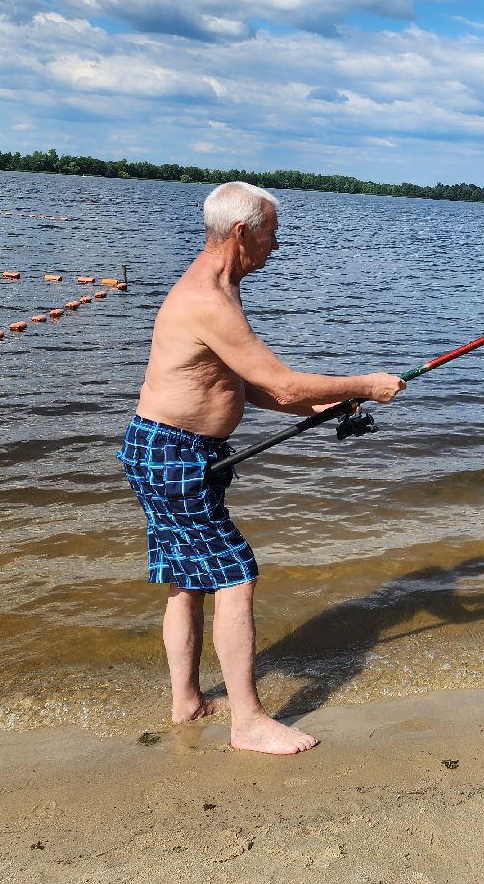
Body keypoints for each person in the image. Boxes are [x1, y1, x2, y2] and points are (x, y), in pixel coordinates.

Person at [119, 181, 405, 755]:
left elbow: (246, 386)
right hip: (174, 454)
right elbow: (280, 378)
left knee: (186, 582)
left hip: (170, 451)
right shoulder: (208, 299)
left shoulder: (221, 288)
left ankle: (187, 701)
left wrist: (320, 405)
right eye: (272, 232)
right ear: (243, 234)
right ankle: (248, 723)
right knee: (235, 574)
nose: (278, 244)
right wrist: (367, 386)